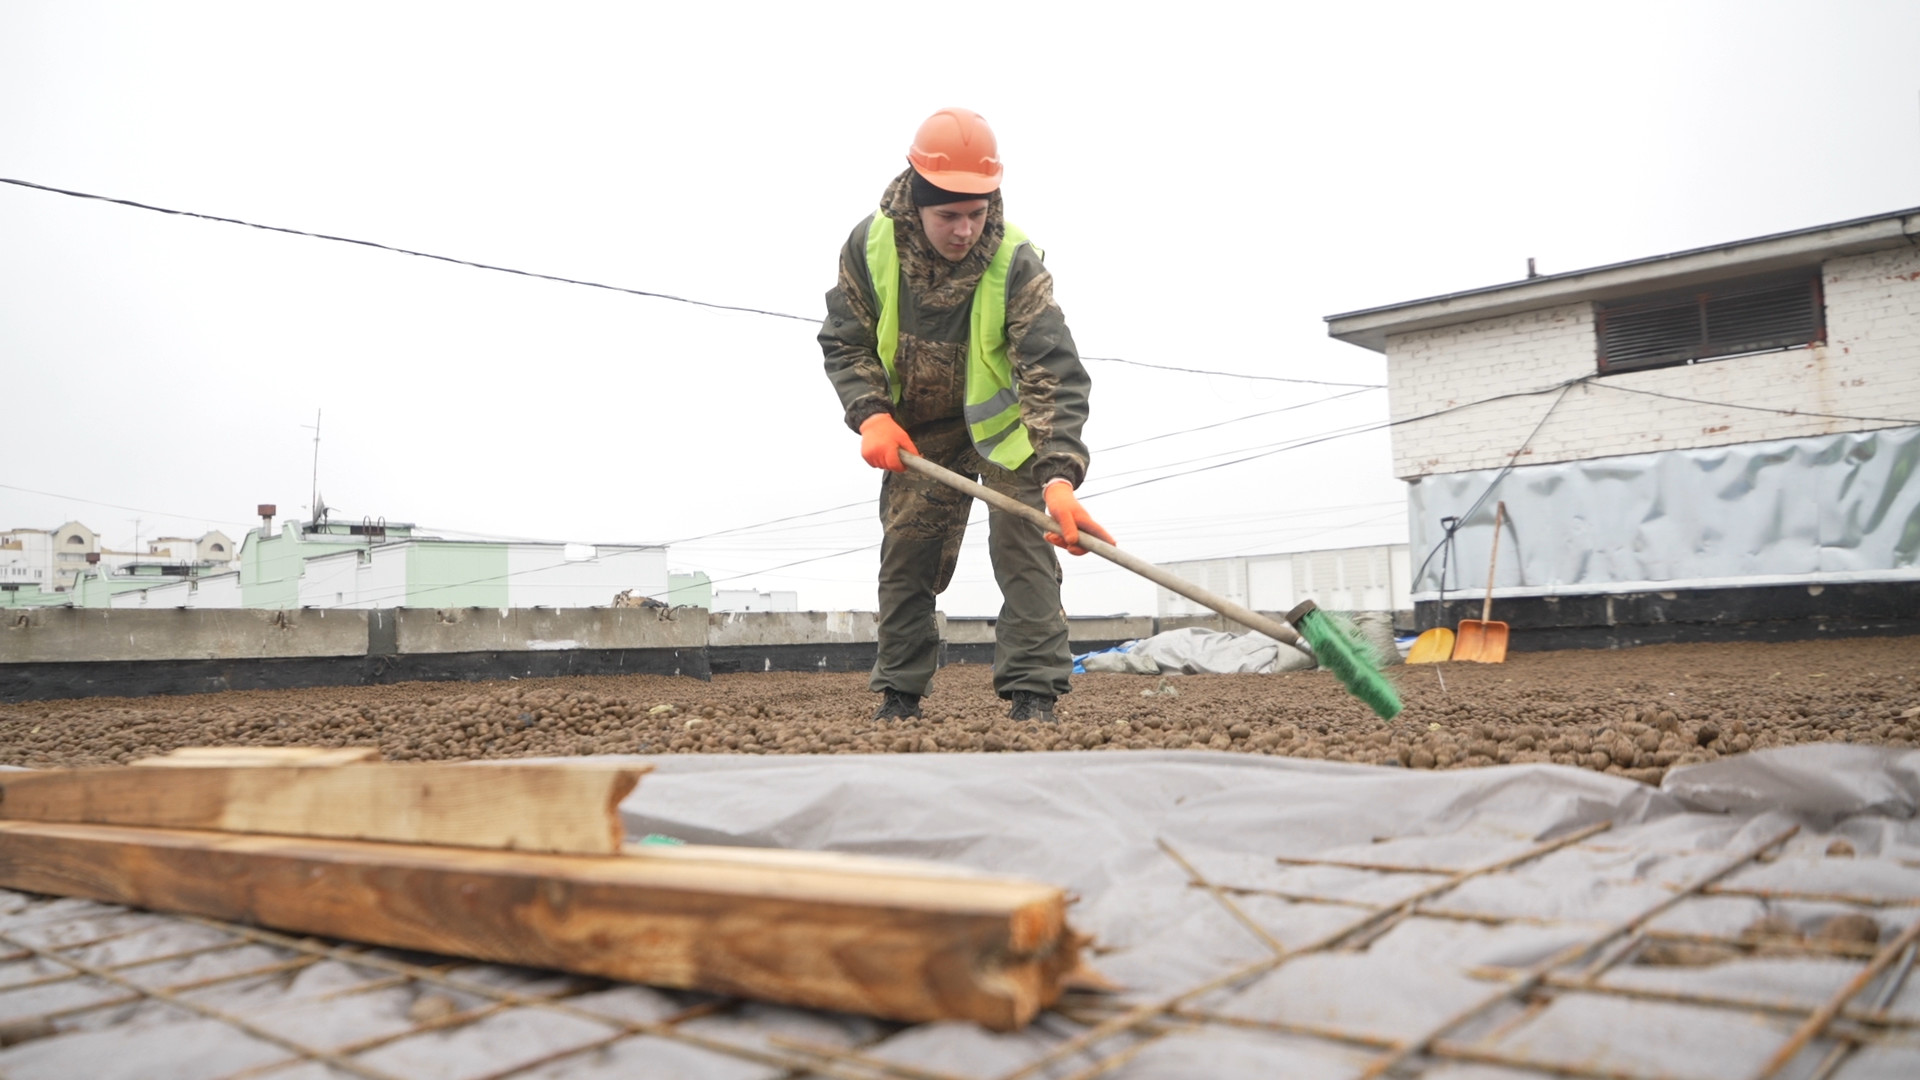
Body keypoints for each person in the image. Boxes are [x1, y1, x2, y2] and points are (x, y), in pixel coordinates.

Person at [820, 107, 1112, 724]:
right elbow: (845, 339)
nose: (964, 230)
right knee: (908, 552)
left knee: (1023, 543)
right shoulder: (869, 246)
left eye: (976, 214)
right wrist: (870, 413)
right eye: (948, 215)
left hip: (1006, 428)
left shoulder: (1016, 261)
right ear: (916, 202)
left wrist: (1058, 476)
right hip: (919, 431)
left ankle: (1034, 698)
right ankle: (899, 697)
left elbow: (1052, 370)